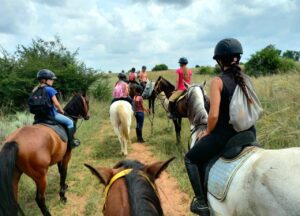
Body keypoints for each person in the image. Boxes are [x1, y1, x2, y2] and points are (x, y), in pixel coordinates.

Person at [184, 38, 257, 216]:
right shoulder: (245, 79)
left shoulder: (217, 81)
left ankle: (201, 203)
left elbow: (214, 115)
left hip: (225, 135)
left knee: (190, 159)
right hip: (249, 132)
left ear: (219, 60)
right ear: (237, 58)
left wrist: (208, 131)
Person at [33, 69, 80, 148]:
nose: (52, 81)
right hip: (51, 115)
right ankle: (71, 142)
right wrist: (62, 111)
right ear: (45, 80)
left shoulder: (35, 90)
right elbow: (56, 103)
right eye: (51, 79)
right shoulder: (50, 89)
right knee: (70, 122)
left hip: (38, 117)